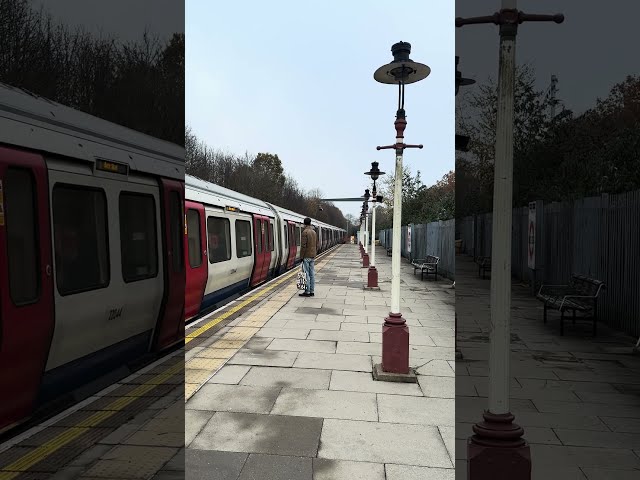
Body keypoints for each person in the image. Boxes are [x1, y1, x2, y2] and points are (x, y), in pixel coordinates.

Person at [299, 217, 317, 297]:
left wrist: (301, 257)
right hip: (313, 255)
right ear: (310, 223)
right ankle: (312, 291)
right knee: (312, 273)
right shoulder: (314, 232)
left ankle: (307, 291)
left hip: (306, 255)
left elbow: (303, 246)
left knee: (306, 273)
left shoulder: (305, 232)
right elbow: (316, 243)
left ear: (304, 223)